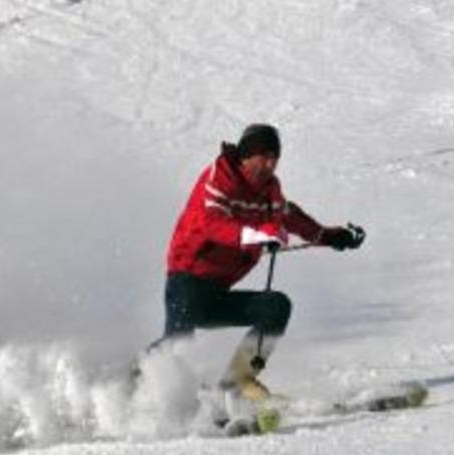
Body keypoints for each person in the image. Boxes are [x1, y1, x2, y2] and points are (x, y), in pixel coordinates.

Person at [155, 124, 365, 402]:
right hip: (188, 281)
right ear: (246, 156)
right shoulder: (219, 179)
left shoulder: (269, 191)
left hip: (218, 291)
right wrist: (257, 234)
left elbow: (287, 215)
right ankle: (124, 385)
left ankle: (235, 385)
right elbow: (211, 223)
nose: (271, 164)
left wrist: (328, 235)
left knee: (275, 307)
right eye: (264, 157)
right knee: (177, 351)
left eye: (275, 158)